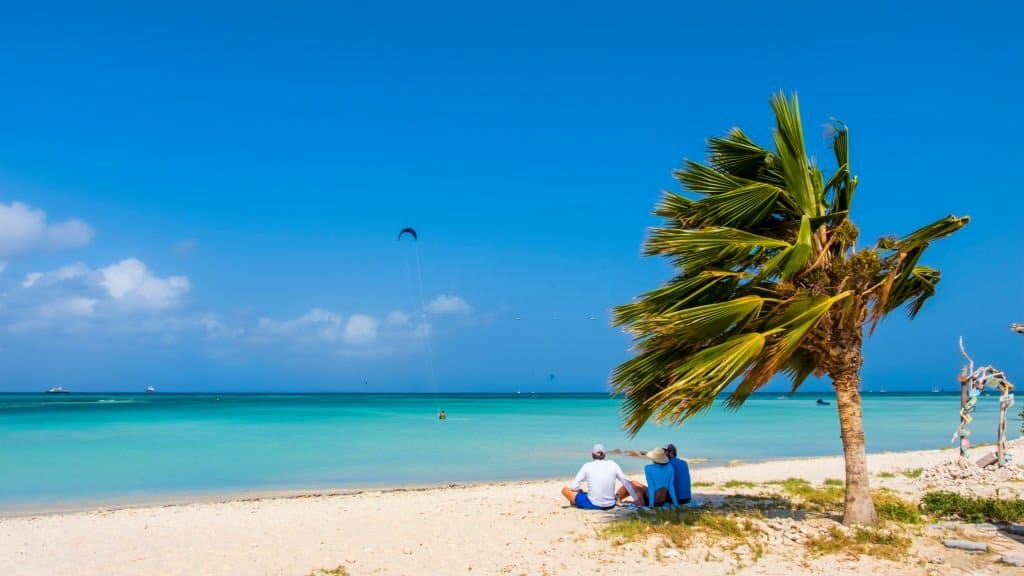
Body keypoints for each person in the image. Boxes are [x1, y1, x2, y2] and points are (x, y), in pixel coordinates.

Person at [561, 444, 638, 510]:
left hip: (593, 504)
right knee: (624, 487)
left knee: (565, 490)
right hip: (611, 504)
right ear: (605, 455)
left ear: (592, 455)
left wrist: (579, 491)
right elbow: (626, 483)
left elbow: (574, 487)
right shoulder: (613, 464)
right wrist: (637, 500)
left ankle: (575, 502)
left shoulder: (587, 466)